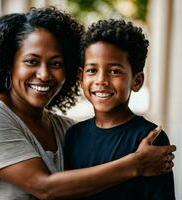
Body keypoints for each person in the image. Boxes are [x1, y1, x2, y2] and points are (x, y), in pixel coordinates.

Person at [0, 7, 176, 200]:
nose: (43, 74)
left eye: (56, 63)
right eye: (32, 61)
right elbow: (44, 188)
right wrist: (136, 164)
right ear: (8, 65)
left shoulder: (67, 130)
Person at [64, 19, 175, 200]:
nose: (101, 80)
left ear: (136, 81)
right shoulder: (73, 136)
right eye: (92, 70)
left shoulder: (149, 139)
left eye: (115, 71)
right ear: (80, 77)